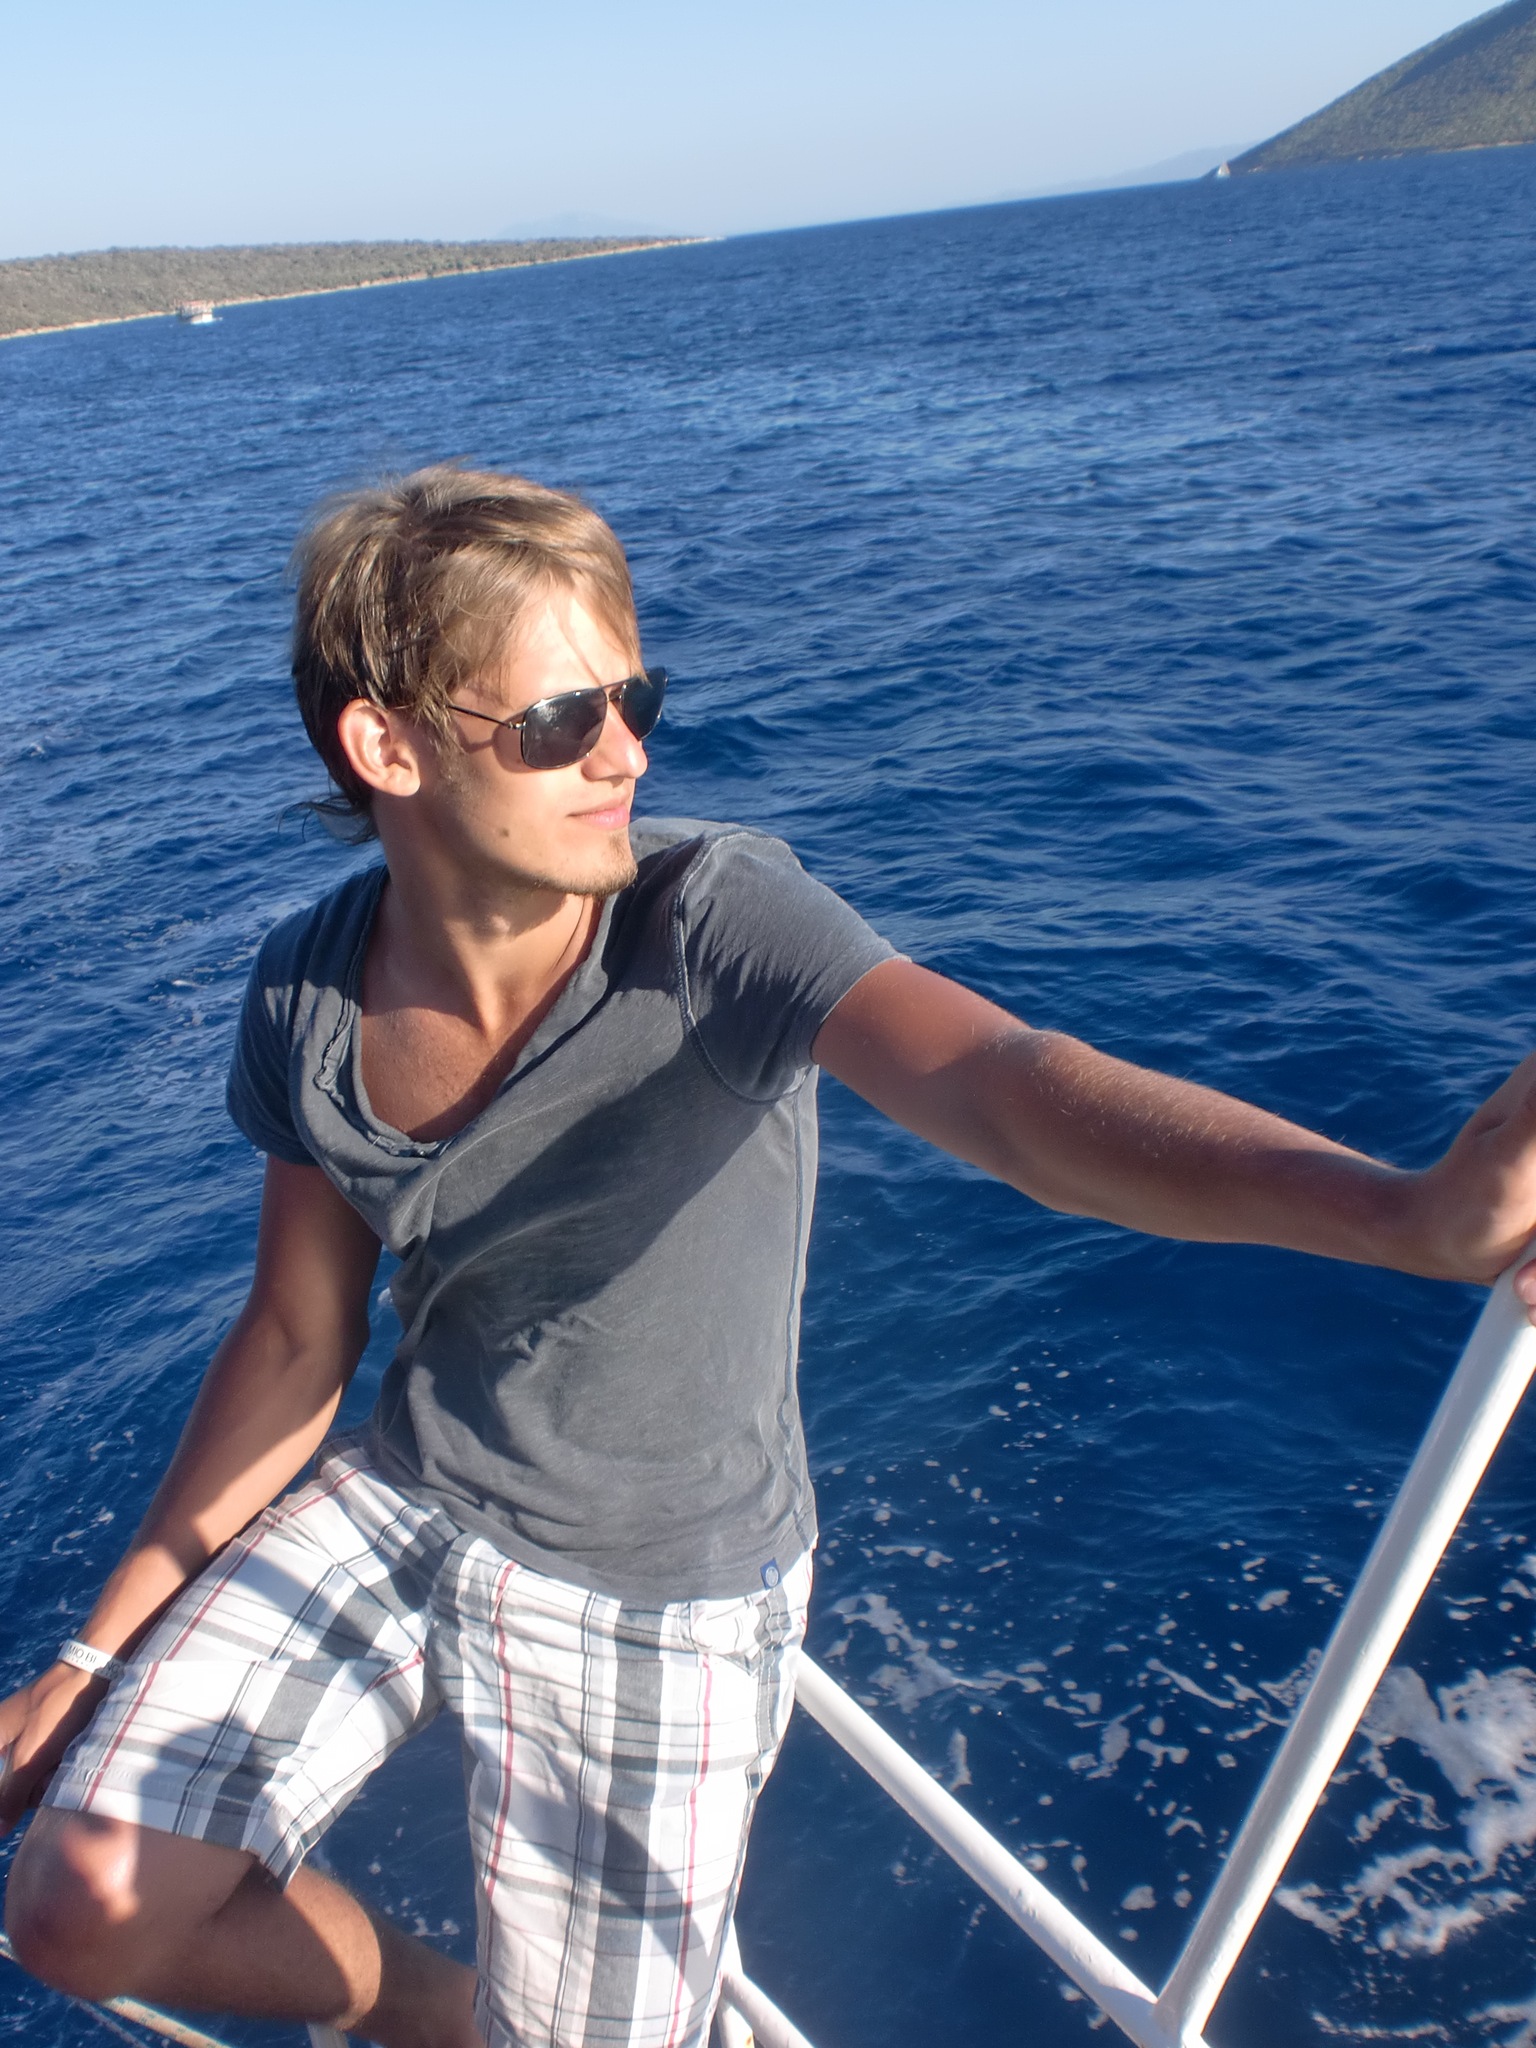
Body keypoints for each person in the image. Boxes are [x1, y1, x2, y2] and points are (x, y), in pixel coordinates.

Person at [4, 465, 1536, 2048]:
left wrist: (1404, 1215)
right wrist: (92, 1652)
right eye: (560, 721)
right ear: (385, 748)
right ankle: (441, 2016)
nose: (627, 753)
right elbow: (294, 1339)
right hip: (409, 1494)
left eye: (636, 698)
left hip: (657, 1589)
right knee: (74, 1906)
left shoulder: (716, 916)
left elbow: (1009, 1089)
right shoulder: (305, 988)